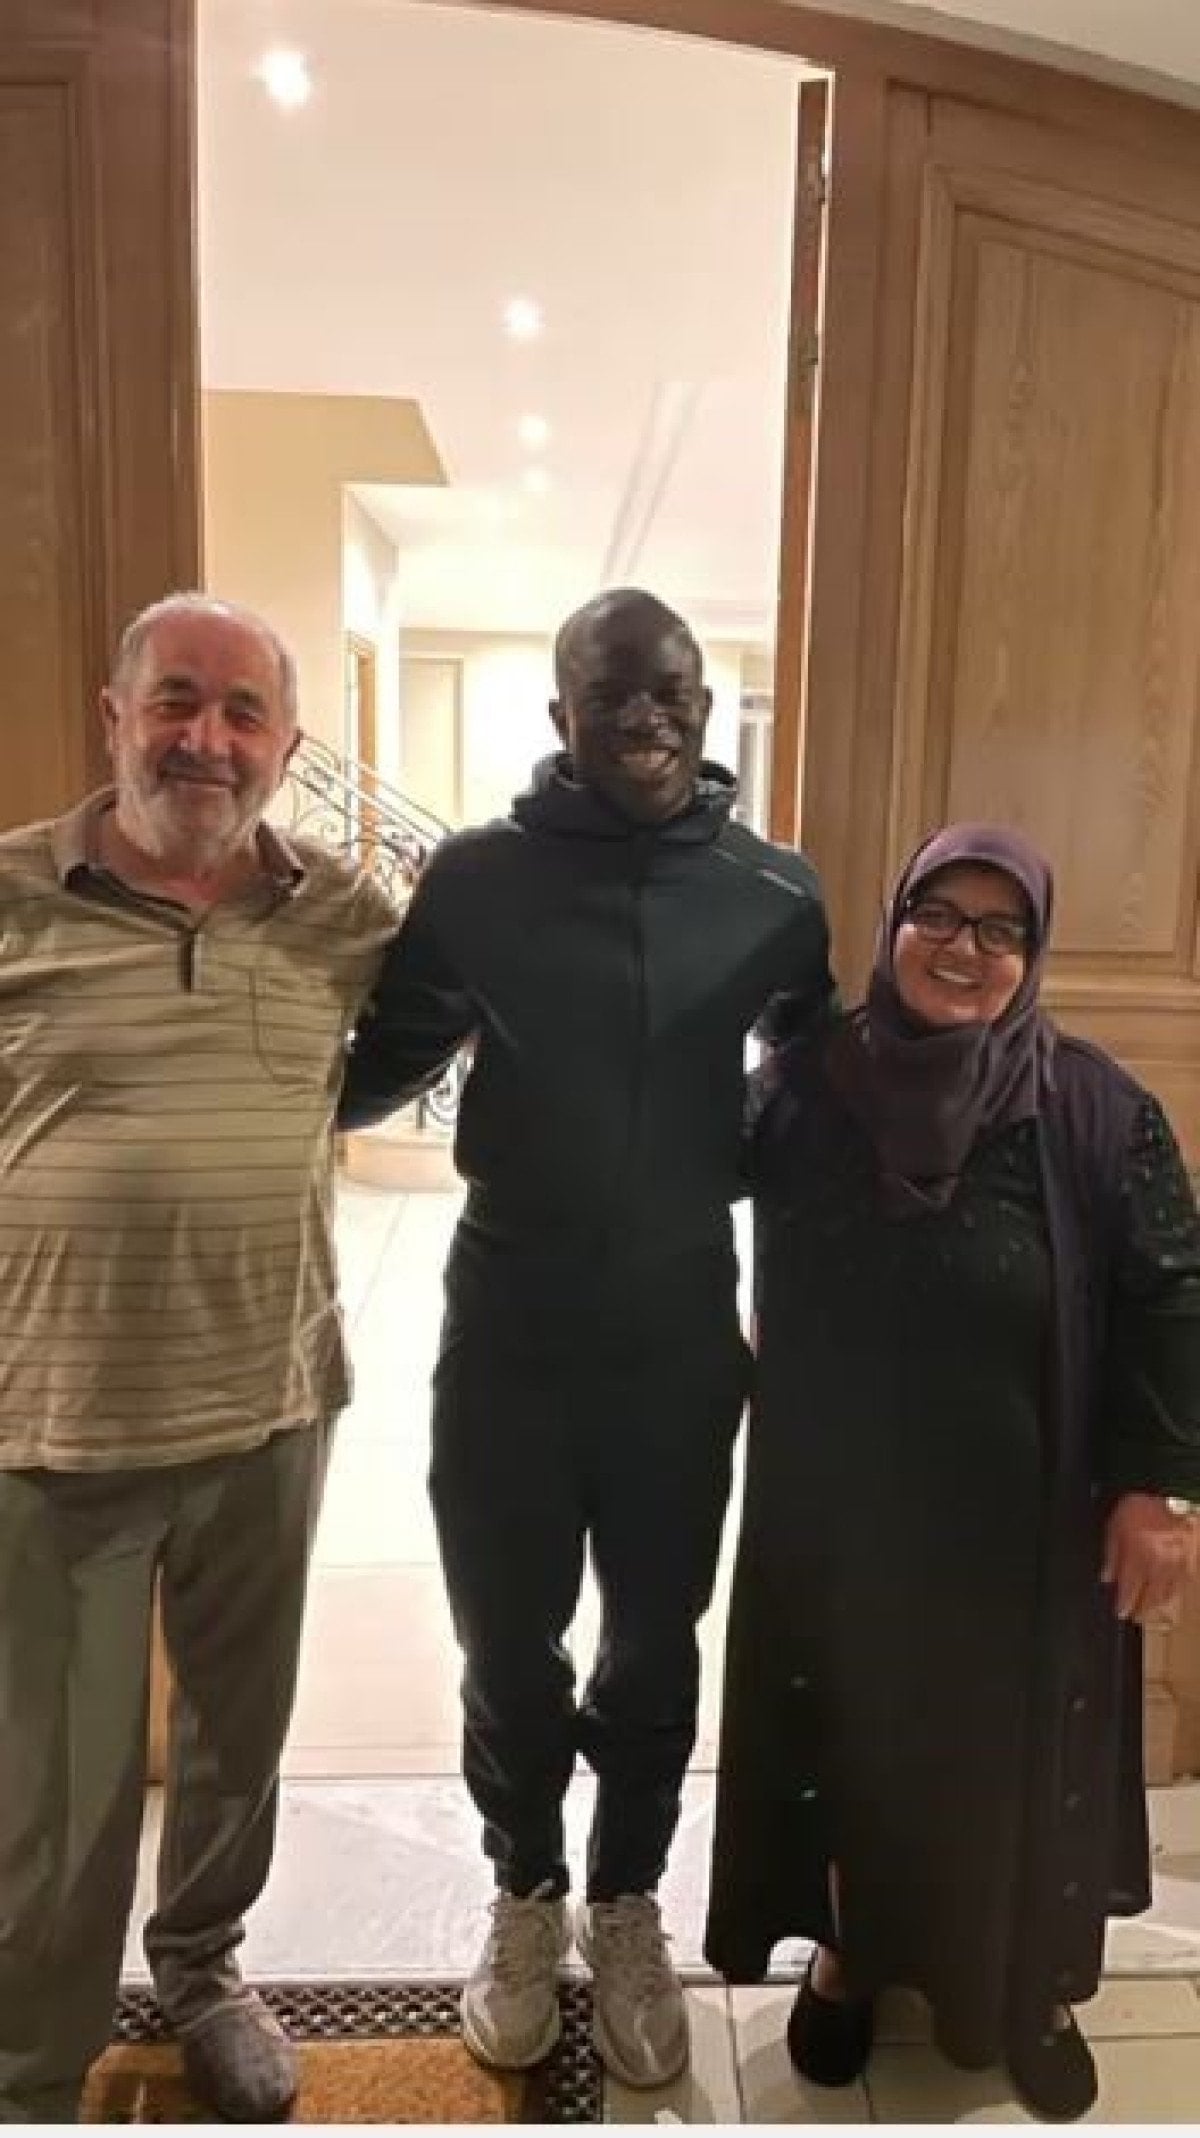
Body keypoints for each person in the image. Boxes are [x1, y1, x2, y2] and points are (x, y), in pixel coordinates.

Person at [339, 586, 835, 2087]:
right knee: (506, 1638)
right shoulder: (478, 878)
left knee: (655, 1639)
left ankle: (624, 1901)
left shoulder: (772, 892)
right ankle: (524, 1890)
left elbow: (819, 1097)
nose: (646, 717)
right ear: (561, 713)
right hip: (509, 1315)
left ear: (705, 704)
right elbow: (376, 1066)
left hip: (678, 1323)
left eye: (670, 690)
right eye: (612, 693)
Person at [703, 822, 1200, 2121]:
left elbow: (1172, 1298)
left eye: (1000, 928)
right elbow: (670, 1187)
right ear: (893, 924)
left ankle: (1031, 1988)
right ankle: (853, 1954)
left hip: (1029, 1526)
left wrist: (1158, 1487)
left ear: (1033, 952)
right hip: (843, 1521)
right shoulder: (806, 1086)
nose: (963, 949)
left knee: (1017, 1757)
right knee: (855, 1737)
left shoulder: (1096, 1108)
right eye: (937, 914)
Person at [0, 594, 397, 2123]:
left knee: (239, 1739)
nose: (206, 739)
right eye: (176, 699)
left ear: (287, 745)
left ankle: (204, 1969)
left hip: (269, 1409)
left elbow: (432, 1033)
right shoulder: (16, 896)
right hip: (57, 1424)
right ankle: (34, 2063)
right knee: (57, 1790)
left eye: (244, 713)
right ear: (115, 715)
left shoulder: (339, 913)